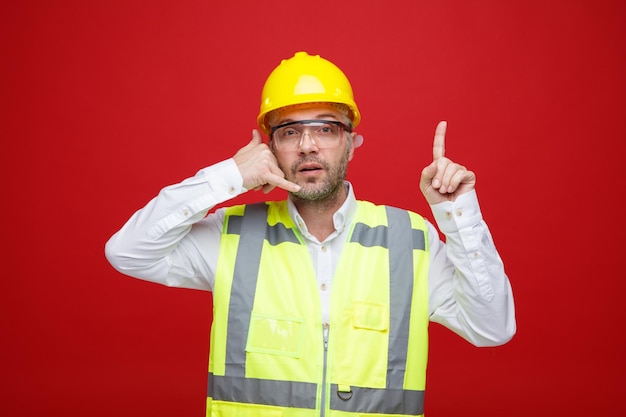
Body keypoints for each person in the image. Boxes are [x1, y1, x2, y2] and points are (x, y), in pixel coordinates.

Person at [105, 51, 516, 417]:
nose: (307, 146)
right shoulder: (232, 237)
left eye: (325, 129)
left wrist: (457, 212)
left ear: (351, 143)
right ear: (269, 150)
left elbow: (492, 328)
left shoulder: (410, 241)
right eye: (289, 132)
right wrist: (230, 175)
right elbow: (127, 252)